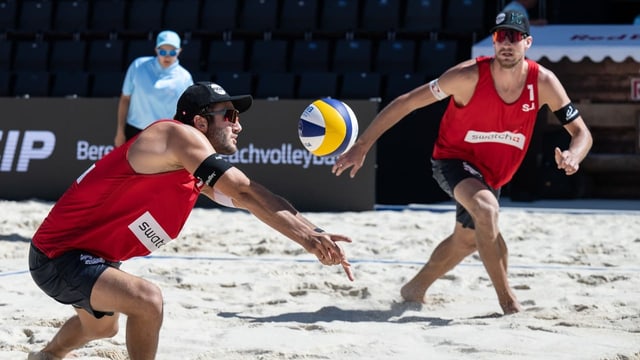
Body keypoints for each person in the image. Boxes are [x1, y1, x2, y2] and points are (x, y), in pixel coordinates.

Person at [28, 82, 354, 360]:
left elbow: (251, 202)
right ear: (199, 121)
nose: (238, 125)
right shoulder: (175, 135)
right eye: (230, 116)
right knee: (147, 301)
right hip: (59, 255)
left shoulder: (191, 174)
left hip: (92, 257)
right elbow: (244, 190)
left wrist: (315, 232)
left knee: (102, 327)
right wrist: (309, 240)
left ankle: (47, 355)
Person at [332, 10, 592, 315]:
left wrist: (574, 155)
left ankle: (414, 289)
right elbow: (407, 102)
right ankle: (508, 303)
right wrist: (362, 145)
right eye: (500, 36)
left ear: (528, 42)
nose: (506, 43)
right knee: (486, 210)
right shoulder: (467, 76)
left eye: (514, 36)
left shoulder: (543, 82)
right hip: (453, 159)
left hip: (493, 173)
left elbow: (581, 132)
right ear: (492, 42)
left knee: (468, 239)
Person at [114, 30, 193, 147]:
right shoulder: (138, 66)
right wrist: (120, 131)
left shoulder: (185, 78)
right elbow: (125, 98)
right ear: (156, 50)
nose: (167, 56)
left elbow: (187, 112)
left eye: (172, 52)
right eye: (162, 51)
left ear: (179, 51)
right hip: (135, 131)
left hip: (165, 136)